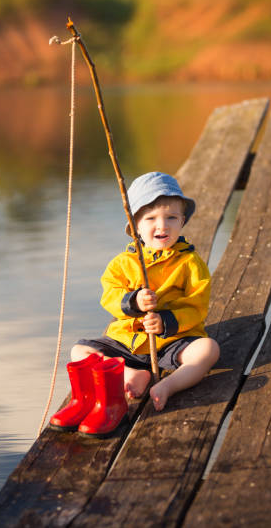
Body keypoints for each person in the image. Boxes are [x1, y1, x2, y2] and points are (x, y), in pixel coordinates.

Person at [72, 171, 220, 412]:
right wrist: (134, 302)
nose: (162, 225)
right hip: (127, 341)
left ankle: (169, 385)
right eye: (151, 218)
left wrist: (165, 322)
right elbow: (109, 296)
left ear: (182, 221)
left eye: (171, 217)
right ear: (135, 226)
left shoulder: (190, 262)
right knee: (79, 351)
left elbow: (197, 305)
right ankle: (130, 374)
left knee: (209, 349)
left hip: (174, 339)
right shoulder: (123, 262)